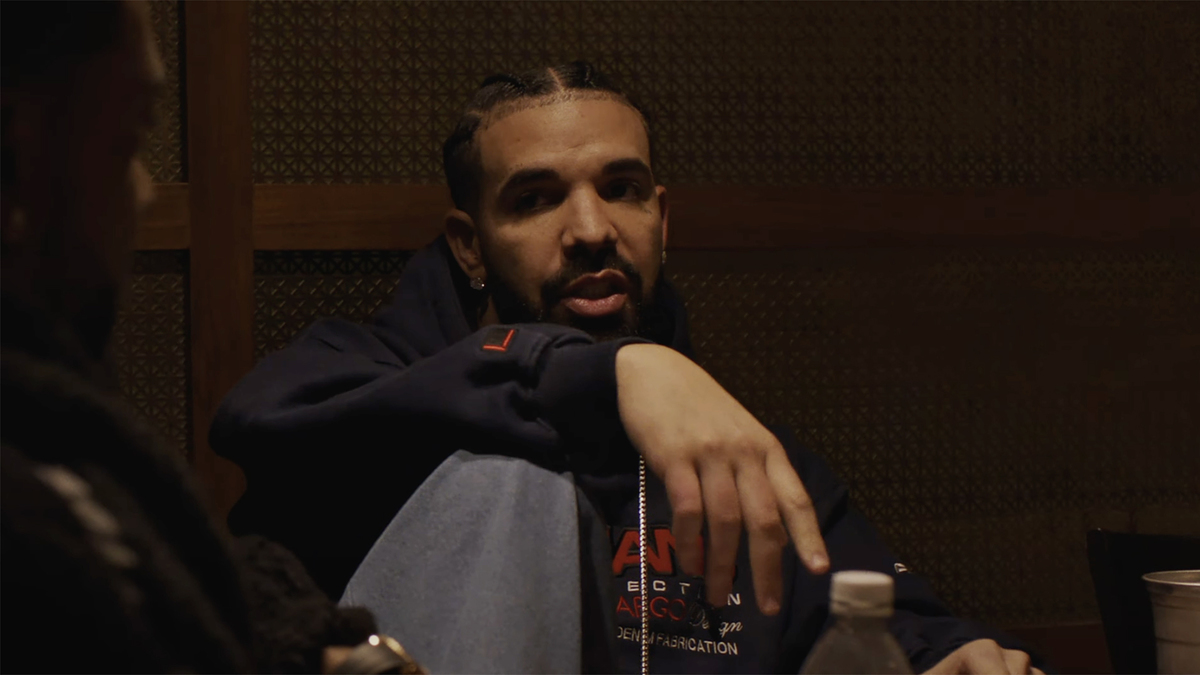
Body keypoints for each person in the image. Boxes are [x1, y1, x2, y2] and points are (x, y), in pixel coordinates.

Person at [211, 62, 1046, 674]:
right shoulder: (362, 370)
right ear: (469, 243)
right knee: (506, 479)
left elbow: (883, 614)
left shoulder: (731, 443)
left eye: (622, 187)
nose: (589, 227)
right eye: (536, 198)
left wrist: (950, 655)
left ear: (661, 215)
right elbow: (260, 427)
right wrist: (600, 373)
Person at [0, 2, 422, 673]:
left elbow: (178, 552)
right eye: (132, 141)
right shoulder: (35, 534)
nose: (142, 194)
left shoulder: (62, 442)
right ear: (17, 154)